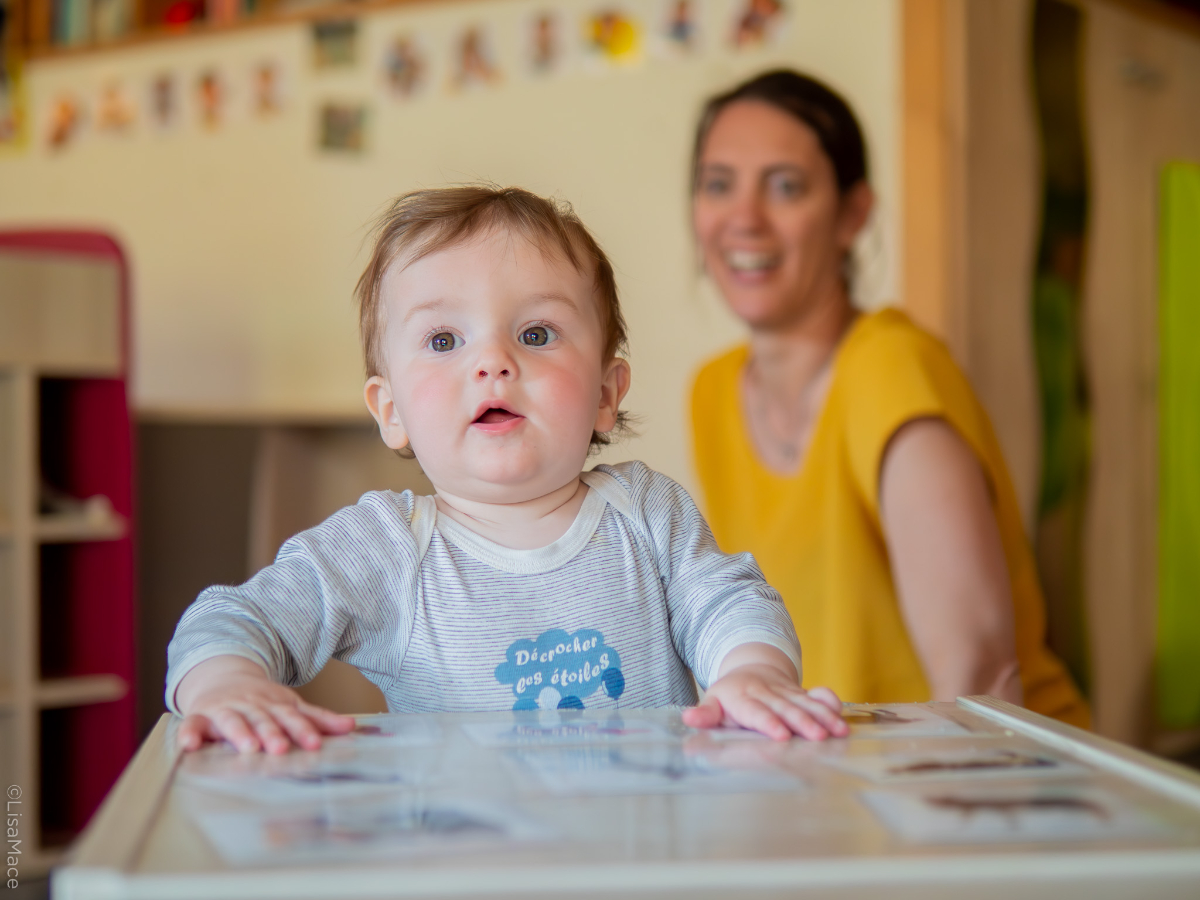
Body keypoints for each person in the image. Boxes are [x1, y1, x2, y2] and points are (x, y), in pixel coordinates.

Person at [167, 186, 848, 754]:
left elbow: (730, 601)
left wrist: (754, 672)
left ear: (607, 393)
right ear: (391, 408)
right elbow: (234, 616)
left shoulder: (646, 515)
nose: (492, 362)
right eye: (443, 340)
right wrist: (227, 683)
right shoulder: (386, 549)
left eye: (536, 334)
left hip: (641, 856)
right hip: (462, 864)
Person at [689, 70, 1089, 727]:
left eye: (785, 186)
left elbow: (981, 680)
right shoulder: (711, 390)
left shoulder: (889, 369)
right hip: (836, 776)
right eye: (718, 183)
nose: (744, 218)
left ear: (853, 214)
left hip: (993, 781)